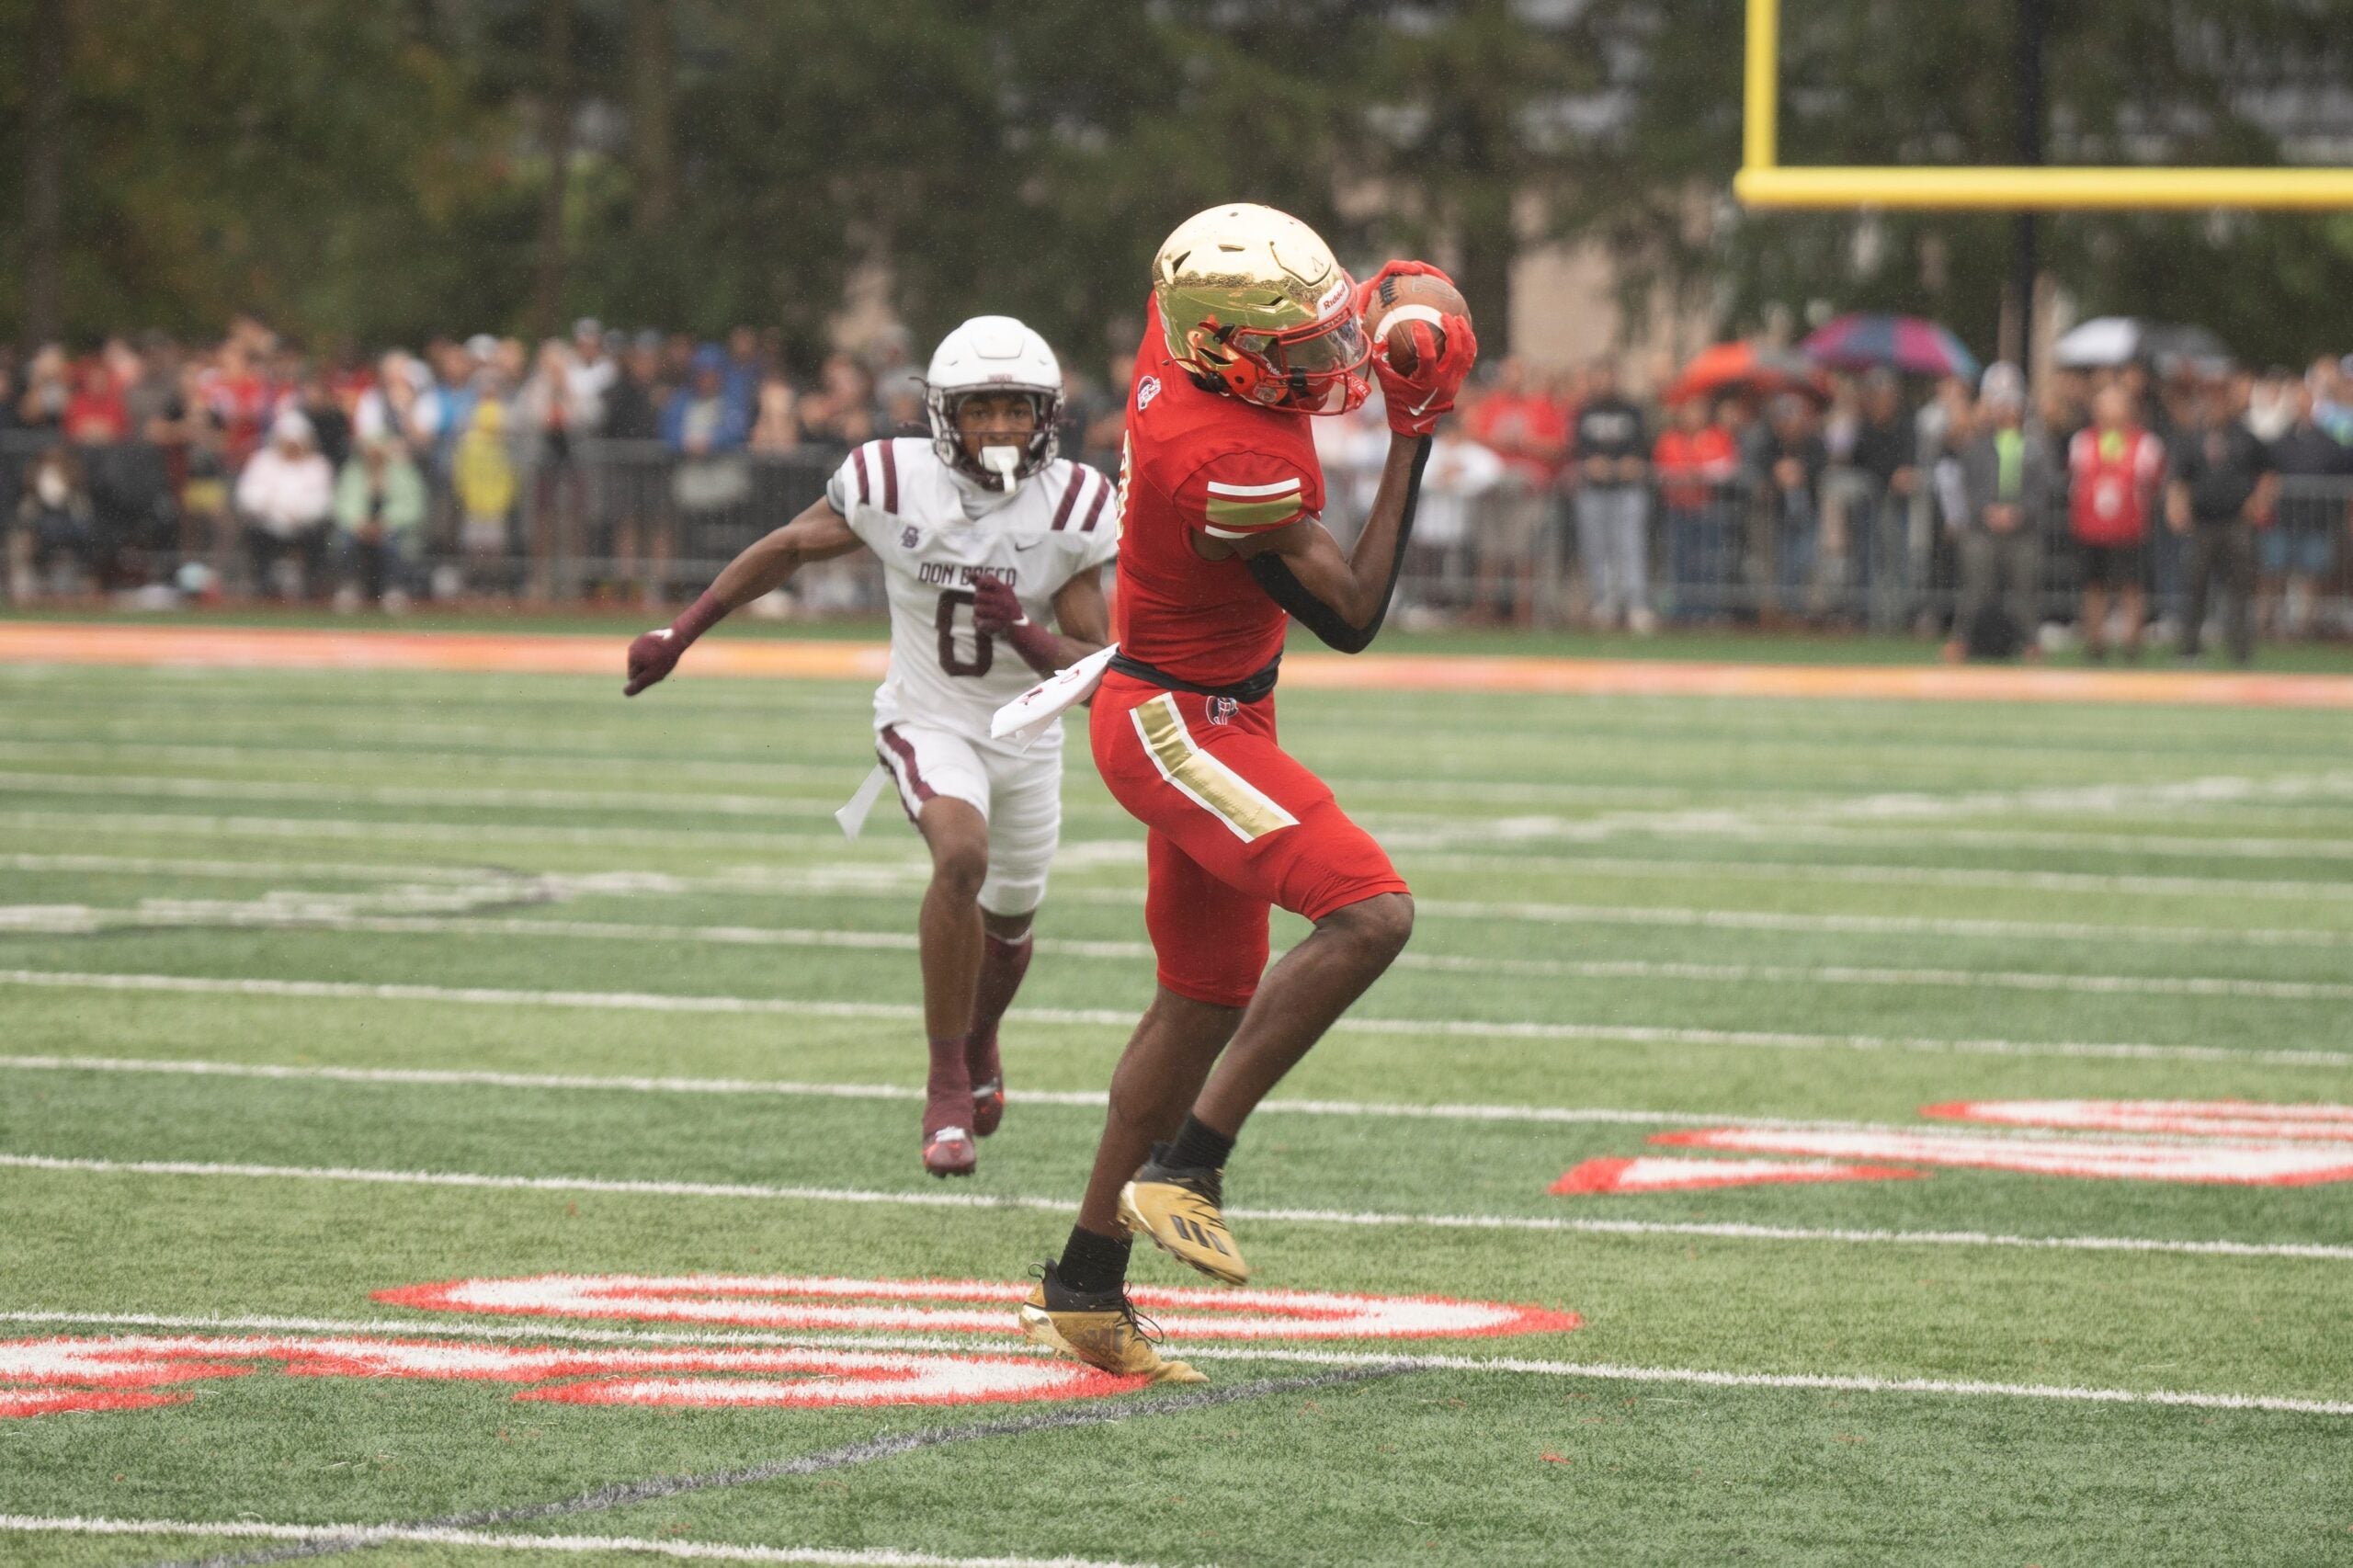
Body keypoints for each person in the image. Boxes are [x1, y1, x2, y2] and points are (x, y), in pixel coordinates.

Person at [1014, 204, 1473, 1384]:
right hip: (1176, 720)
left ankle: (1084, 1281)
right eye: (1299, 350)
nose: (1327, 364)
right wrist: (1417, 429)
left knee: (1201, 999)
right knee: (1370, 909)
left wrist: (1385, 304)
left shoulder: (1186, 332)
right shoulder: (1224, 455)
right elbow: (1356, 614)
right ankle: (1193, 1160)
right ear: (1226, 352)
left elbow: (1281, 318)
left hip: (1212, 700)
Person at [623, 316, 1118, 1179]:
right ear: (943, 415)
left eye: (1016, 409)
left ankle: (981, 1040)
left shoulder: (1073, 504)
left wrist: (1034, 643)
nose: (1000, 427)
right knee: (960, 857)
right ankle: (945, 1091)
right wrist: (682, 631)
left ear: (1046, 417)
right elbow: (786, 548)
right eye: (982, 408)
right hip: (925, 717)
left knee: (1010, 925)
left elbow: (1102, 666)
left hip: (1028, 733)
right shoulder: (892, 480)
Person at [2167, 374, 2278, 665]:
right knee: (2195, 586)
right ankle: (2190, 649)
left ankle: (2240, 652)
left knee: (2239, 588)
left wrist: (2259, 501)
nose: (2214, 407)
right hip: (2202, 522)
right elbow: (2180, 477)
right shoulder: (2194, 437)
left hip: (2236, 522)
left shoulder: (2245, 436)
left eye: (2219, 401)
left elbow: (2268, 471)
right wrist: (2177, 506)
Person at [1946, 362, 2052, 663]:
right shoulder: (1976, 445)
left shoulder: (2035, 446)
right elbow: (1966, 484)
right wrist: (1987, 511)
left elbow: (2041, 489)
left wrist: (2020, 512)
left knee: (2026, 588)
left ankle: (2031, 641)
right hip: (1982, 529)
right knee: (1974, 587)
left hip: (2024, 529)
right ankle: (1962, 638)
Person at [2065, 384, 2165, 661]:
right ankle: (2095, 644)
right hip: (2091, 528)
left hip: (2129, 528)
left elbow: (2154, 482)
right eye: (2105, 404)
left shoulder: (2145, 443)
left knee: (2132, 586)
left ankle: (2132, 645)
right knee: (2094, 585)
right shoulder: (2082, 442)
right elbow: (2075, 481)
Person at [1572, 358, 1653, 631]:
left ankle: (1636, 604)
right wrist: (1591, 465)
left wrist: (1632, 463)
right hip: (1594, 491)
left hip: (1627, 490)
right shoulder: (1585, 411)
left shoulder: (1633, 410)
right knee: (1597, 548)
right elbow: (1577, 448)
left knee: (1630, 547)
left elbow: (1644, 446)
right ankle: (1604, 602)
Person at [1653, 395, 1739, 623]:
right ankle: (1683, 609)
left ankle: (1708, 610)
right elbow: (1661, 470)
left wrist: (1699, 473)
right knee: (1681, 560)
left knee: (1708, 561)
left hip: (1708, 508)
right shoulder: (1670, 439)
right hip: (1679, 508)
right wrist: (1683, 475)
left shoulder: (1716, 436)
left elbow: (1726, 467)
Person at [235, 408, 335, 599]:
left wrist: (297, 514)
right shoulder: (263, 461)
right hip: (268, 525)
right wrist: (275, 510)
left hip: (304, 526)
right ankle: (264, 589)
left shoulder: (317, 465)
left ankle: (313, 591)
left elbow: (322, 503)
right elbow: (248, 496)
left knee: (319, 539)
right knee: (255, 536)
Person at [334, 435, 427, 609]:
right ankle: (350, 588)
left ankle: (394, 589)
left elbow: (413, 506)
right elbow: (342, 504)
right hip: (359, 529)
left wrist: (386, 523)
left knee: (392, 543)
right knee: (346, 540)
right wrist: (359, 523)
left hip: (393, 529)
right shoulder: (353, 472)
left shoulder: (402, 471)